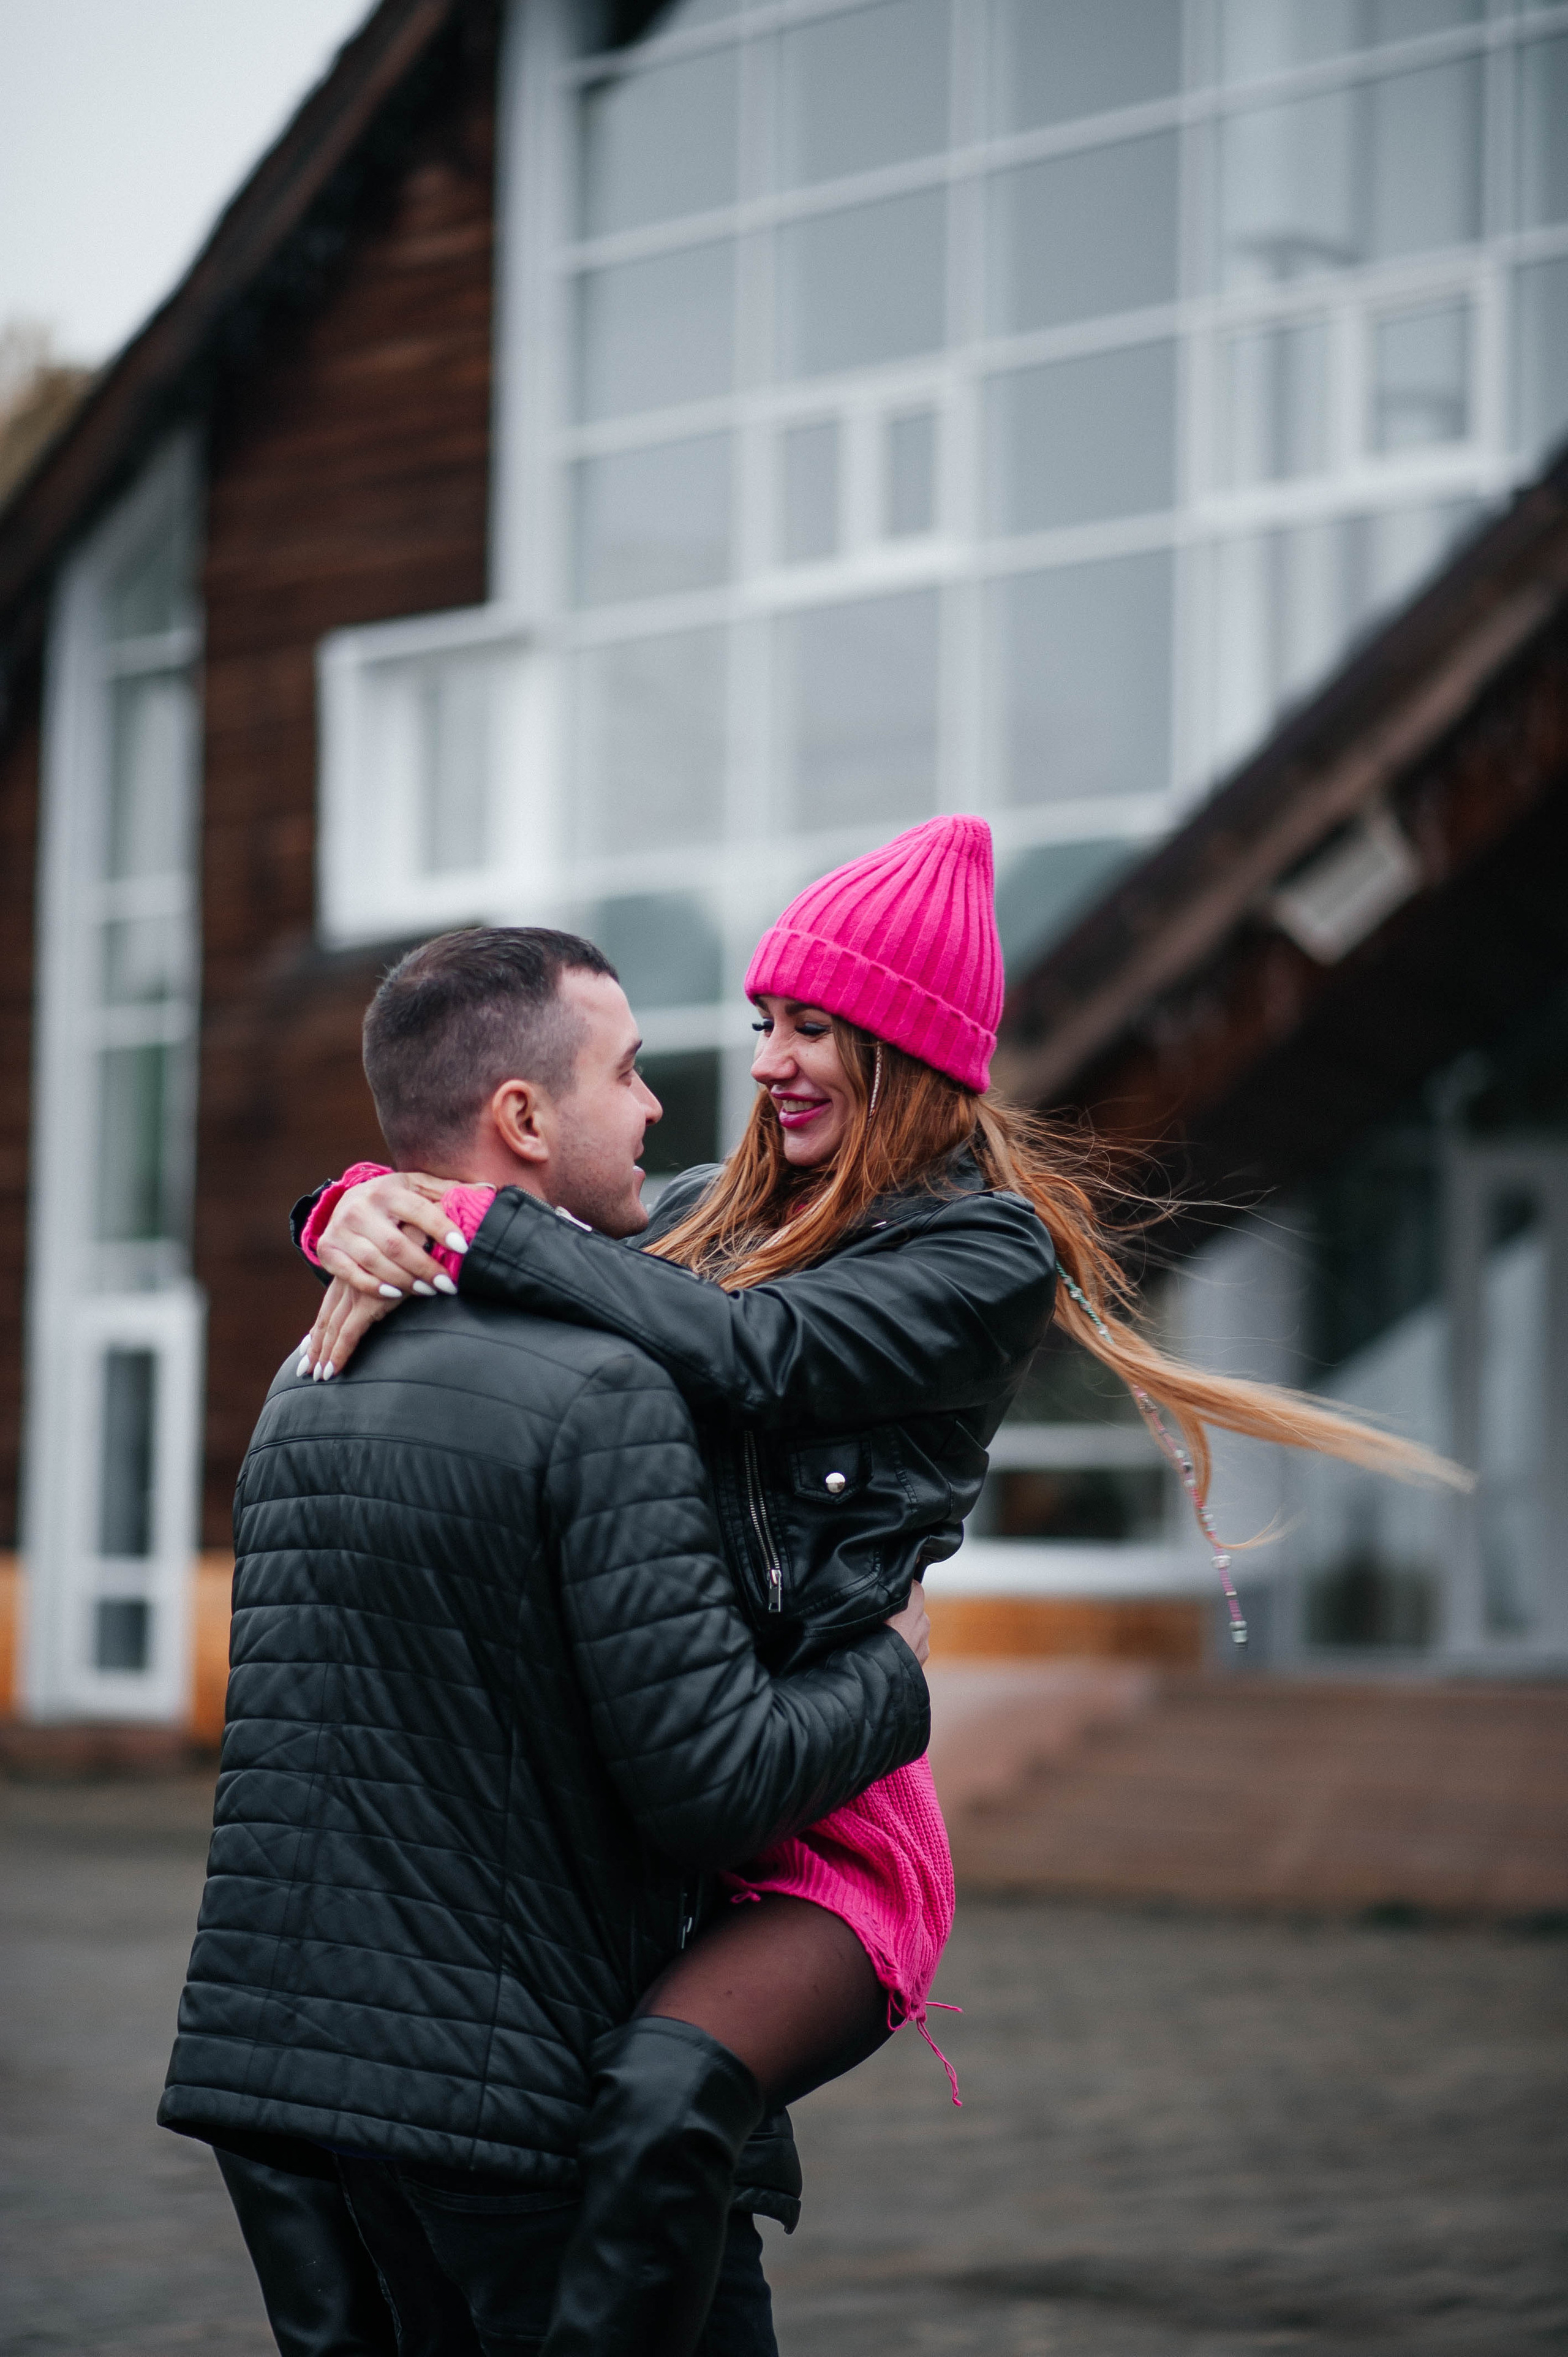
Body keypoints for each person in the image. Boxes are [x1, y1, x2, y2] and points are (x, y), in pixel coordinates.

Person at [300, 814, 1464, 2356]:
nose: (769, 1061)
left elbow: (756, 1356)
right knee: (571, 2161)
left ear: (904, 1050)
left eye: (812, 1028)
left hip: (831, 1828)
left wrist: (464, 1222)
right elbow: (540, 1235)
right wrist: (356, 1207)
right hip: (670, 1778)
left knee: (659, 2095)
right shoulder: (710, 1210)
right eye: (764, 1020)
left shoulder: (982, 1256)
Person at [159, 926, 934, 2357]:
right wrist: (889, 1670)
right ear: (522, 1116)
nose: (655, 1105)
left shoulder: (306, 1373)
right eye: (625, 1071)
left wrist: (349, 1204)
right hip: (526, 2118)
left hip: (303, 2101)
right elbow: (711, 1788)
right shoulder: (603, 1388)